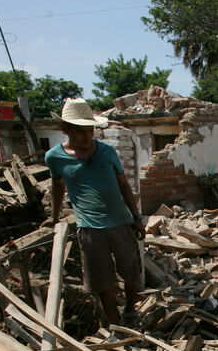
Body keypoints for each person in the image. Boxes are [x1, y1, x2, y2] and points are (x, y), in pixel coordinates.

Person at [44, 98, 145, 325]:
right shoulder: (55, 158)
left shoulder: (107, 152)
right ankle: (115, 324)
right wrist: (54, 216)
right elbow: (57, 186)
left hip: (120, 222)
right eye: (80, 132)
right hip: (90, 229)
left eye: (90, 131)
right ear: (66, 129)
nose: (87, 137)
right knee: (102, 282)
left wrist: (136, 218)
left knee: (132, 275)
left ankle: (130, 310)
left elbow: (124, 185)